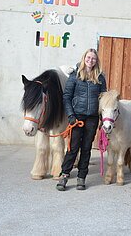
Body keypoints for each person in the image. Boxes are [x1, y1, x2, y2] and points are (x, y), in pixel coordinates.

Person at [56, 48, 107, 191]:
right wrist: (71, 115)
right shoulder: (75, 75)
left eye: (93, 58)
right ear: (84, 58)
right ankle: (64, 175)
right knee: (73, 148)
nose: (91, 60)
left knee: (86, 148)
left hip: (92, 117)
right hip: (77, 117)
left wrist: (103, 119)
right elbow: (67, 97)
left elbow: (103, 99)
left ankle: (81, 177)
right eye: (88, 58)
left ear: (97, 61)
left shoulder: (100, 77)